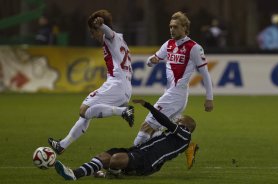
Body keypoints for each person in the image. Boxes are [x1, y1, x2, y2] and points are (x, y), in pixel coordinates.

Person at [133, 11, 213, 168]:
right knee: (159, 132)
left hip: (176, 95)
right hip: (171, 94)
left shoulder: (194, 48)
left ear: (184, 27)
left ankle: (131, 158)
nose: (171, 30)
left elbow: (205, 74)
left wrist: (209, 98)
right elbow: (151, 60)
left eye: (175, 27)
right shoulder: (168, 44)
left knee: (147, 126)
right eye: (170, 27)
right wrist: (153, 60)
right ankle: (187, 147)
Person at [48, 10, 134, 154]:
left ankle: (123, 111)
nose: (91, 35)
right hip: (124, 87)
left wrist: (102, 26)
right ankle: (62, 145)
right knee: (88, 113)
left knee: (84, 110)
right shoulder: (120, 40)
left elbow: (109, 33)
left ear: (99, 29)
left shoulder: (111, 37)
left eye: (93, 31)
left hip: (116, 84)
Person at [54, 99, 196, 180]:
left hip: (148, 162)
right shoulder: (171, 136)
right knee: (105, 156)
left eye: (179, 119)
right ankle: (75, 173)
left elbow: (166, 122)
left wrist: (148, 106)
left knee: (115, 159)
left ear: (186, 125)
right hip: (138, 151)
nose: (176, 119)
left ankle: (113, 172)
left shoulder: (185, 136)